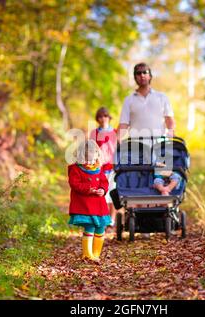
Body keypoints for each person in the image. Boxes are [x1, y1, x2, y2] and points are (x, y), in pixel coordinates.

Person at [117, 62, 176, 239]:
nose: (142, 75)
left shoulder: (161, 97)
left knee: (163, 176)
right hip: (137, 146)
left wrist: (171, 138)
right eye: (138, 73)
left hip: (159, 144)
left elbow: (170, 121)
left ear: (150, 75)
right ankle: (142, 222)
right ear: (135, 76)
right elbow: (123, 124)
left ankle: (165, 216)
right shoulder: (129, 100)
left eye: (145, 72)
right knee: (140, 180)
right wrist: (116, 142)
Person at [67, 140, 111, 261]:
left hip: (99, 204)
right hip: (85, 204)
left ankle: (96, 254)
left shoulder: (98, 168)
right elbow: (74, 184)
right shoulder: (76, 169)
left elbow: (104, 181)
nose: (90, 162)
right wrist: (89, 189)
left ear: (97, 155)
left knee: (101, 228)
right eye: (87, 159)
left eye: (92, 159)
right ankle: (87, 254)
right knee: (90, 226)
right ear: (81, 157)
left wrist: (102, 189)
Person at [89, 107, 118, 233]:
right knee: (102, 195)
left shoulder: (115, 132)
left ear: (109, 117)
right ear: (97, 119)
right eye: (100, 116)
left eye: (105, 116)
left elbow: (119, 149)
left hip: (114, 168)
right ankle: (103, 219)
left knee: (113, 194)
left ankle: (112, 220)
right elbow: (91, 150)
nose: (103, 118)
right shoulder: (94, 133)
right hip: (100, 168)